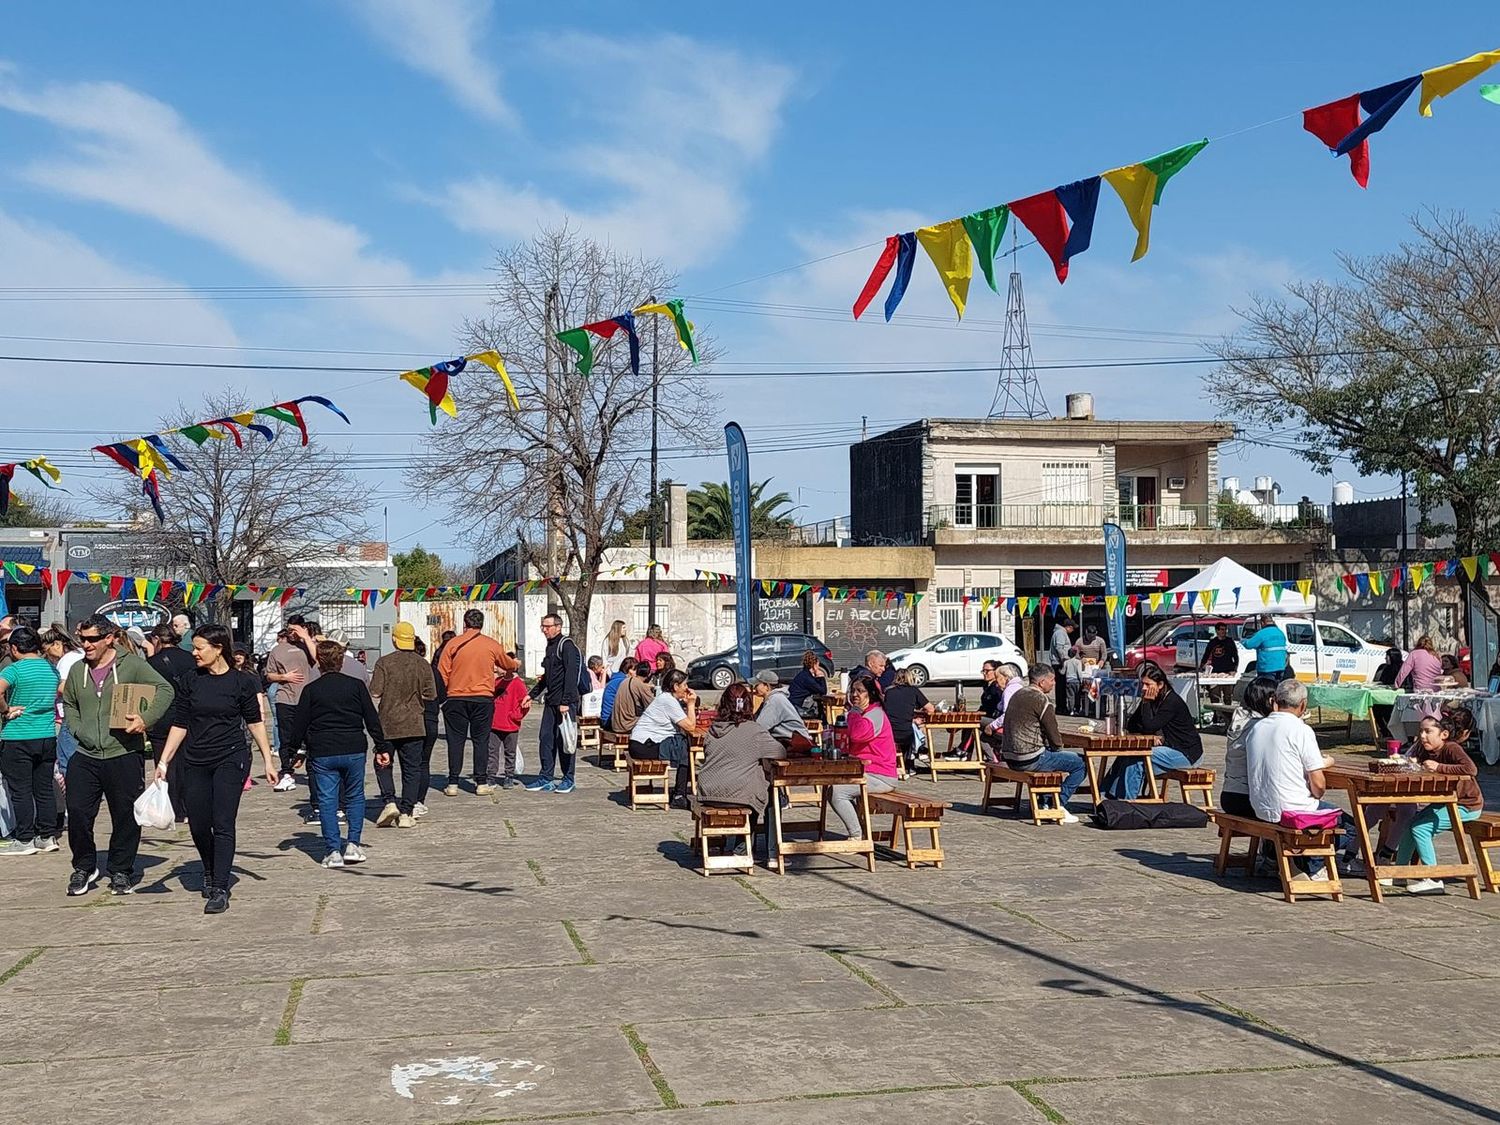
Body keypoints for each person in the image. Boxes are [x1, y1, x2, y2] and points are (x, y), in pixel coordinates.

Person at [154, 624, 273, 913]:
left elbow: (255, 722)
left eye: (198, 648)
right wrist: (164, 761)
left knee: (222, 822)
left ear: (218, 649)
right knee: (197, 823)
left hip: (230, 759)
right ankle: (208, 867)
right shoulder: (190, 680)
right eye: (192, 647)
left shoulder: (241, 682)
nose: (193, 653)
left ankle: (219, 886)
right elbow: (180, 722)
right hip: (195, 759)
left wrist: (268, 760)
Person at [60, 615, 174, 896]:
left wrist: (145, 719)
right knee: (77, 811)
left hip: (123, 752)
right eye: (82, 639)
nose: (86, 645)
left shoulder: (132, 665)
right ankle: (84, 866)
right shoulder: (77, 670)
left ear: (109, 638)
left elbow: (165, 690)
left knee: (124, 815)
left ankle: (121, 870)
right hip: (85, 753)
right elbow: (70, 703)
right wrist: (77, 729)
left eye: (92, 639)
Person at [286, 639, 383, 870]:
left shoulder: (311, 690)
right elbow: (371, 718)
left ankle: (332, 850)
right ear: (341, 660)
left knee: (328, 800)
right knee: (355, 796)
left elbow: (299, 724)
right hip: (353, 747)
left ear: (318, 661)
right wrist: (382, 746)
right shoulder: (356, 686)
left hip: (323, 750)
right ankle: (353, 844)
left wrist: (293, 752)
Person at [1245, 678, 1351, 877]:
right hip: (1293, 809)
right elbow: (1318, 785)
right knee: (1352, 828)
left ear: (1275, 700)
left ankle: (1279, 858)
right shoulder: (1300, 730)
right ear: (1303, 705)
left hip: (1261, 806)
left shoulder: (1257, 728)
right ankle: (1312, 866)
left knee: (1316, 816)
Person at [1394, 713, 1484, 894]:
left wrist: (1440, 767)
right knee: (1410, 824)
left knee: (1421, 828)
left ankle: (1433, 878)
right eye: (1421, 731)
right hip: (1444, 802)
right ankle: (1399, 871)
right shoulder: (1424, 749)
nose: (1423, 736)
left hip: (1466, 805)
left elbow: (1471, 769)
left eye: (1428, 731)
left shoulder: (1451, 748)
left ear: (1443, 734)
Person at [437, 609, 519, 796]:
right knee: (481, 740)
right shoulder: (490, 644)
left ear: (464, 624)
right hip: (483, 698)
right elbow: (507, 664)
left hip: (456, 698)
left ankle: (452, 783)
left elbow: (442, 672)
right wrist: (516, 665)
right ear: (482, 625)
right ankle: (481, 782)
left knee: (455, 741)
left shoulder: (452, 644)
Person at [696, 682, 787, 849]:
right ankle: (766, 851)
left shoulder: (713, 730)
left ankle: (741, 845)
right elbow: (780, 752)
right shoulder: (754, 731)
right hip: (739, 794)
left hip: (707, 790)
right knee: (767, 790)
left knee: (748, 780)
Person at [368, 621, 437, 828]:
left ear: (394, 639)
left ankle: (389, 801)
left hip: (388, 723)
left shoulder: (384, 663)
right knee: (412, 769)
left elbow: (375, 692)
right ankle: (406, 812)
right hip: (414, 723)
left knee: (382, 763)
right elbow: (431, 694)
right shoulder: (423, 664)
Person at [0, 627, 62, 856]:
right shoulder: (50, 669)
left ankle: (24, 838)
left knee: (20, 790)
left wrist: (6, 710)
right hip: (46, 735)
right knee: (44, 788)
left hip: (18, 735)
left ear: (14, 648)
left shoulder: (13, 670)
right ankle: (47, 835)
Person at [999, 665, 1086, 822]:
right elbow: (1053, 732)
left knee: (1050, 760)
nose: (1054, 683)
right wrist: (1058, 748)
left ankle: (1044, 802)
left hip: (1010, 756)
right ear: (1041, 682)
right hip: (1029, 758)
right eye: (1052, 680)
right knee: (1081, 763)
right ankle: (1057, 803)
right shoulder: (1041, 700)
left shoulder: (1018, 694)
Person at [1108, 665, 1204, 800]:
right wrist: (1144, 703)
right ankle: (1108, 795)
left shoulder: (1171, 701)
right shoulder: (1155, 699)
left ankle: (1126, 801)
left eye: (1148, 684)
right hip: (1169, 747)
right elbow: (1132, 725)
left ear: (1160, 685)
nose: (1144, 688)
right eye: (1143, 684)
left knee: (1138, 757)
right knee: (1126, 754)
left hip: (1186, 753)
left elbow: (1149, 727)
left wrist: (1146, 703)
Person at [828, 676, 899, 838]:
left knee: (837, 792)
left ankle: (856, 836)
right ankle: (860, 828)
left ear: (870, 694)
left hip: (881, 775)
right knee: (831, 785)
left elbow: (858, 735)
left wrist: (853, 714)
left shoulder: (875, 714)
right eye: (852, 690)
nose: (855, 694)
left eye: (860, 691)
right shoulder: (862, 713)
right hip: (863, 770)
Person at [142, 624, 195, 820]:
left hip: (162, 717)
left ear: (157, 639)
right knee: (187, 763)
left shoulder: (151, 663)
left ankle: (173, 808)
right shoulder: (190, 658)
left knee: (165, 764)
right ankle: (189, 806)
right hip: (188, 716)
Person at [525, 612, 582, 793]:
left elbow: (571, 675)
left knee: (565, 740)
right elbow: (547, 677)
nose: (544, 630)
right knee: (546, 739)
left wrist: (566, 701)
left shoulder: (567, 646)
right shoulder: (550, 647)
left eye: (547, 626)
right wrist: (531, 694)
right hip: (551, 702)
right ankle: (546, 777)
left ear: (558, 627)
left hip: (565, 703)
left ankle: (568, 778)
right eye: (543, 626)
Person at [628, 669, 697, 809]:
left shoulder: (667, 699)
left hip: (641, 742)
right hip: (644, 745)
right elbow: (690, 726)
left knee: (682, 742)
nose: (686, 688)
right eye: (684, 685)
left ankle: (681, 789)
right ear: (676, 686)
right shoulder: (668, 701)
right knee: (683, 746)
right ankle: (679, 794)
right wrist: (691, 704)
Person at [264, 618, 315, 792]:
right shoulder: (278, 650)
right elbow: (269, 675)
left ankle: (312, 768)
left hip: (307, 698)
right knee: (285, 736)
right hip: (285, 697)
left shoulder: (308, 646)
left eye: (296, 630)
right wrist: (284, 678)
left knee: (310, 735)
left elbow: (319, 660)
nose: (293, 633)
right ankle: (286, 772)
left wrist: (306, 638)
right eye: (290, 630)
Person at [41, 626, 82, 841]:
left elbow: (64, 688)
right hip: (77, 716)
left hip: (68, 715)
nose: (50, 657)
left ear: (57, 645)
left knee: (65, 764)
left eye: (49, 651)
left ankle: (70, 808)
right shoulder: (80, 655)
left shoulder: (67, 660)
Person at [1220, 675, 1279, 818]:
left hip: (1229, 794)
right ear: (1270, 700)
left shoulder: (1240, 719)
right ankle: (1272, 841)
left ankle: (1267, 841)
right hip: (1249, 797)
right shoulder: (1260, 726)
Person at [490, 660, 530, 791]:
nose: (496, 668)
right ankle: (490, 775)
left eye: (499, 666)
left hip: (510, 725)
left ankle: (509, 776)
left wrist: (515, 717)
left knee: (510, 752)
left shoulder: (518, 684)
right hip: (494, 724)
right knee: (492, 751)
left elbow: (524, 704)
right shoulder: (496, 682)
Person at [883, 668, 933, 771]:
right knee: (919, 727)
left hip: (890, 732)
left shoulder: (888, 691)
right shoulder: (913, 691)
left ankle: (902, 762)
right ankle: (915, 755)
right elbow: (930, 709)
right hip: (906, 733)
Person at [751, 670, 810, 745]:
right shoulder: (773, 698)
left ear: (767, 686)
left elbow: (760, 727)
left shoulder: (775, 700)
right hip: (787, 741)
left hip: (795, 744)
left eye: (757, 685)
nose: (754, 688)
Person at [609, 659, 655, 737]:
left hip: (616, 723)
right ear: (648, 674)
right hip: (626, 725)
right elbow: (652, 706)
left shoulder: (625, 681)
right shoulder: (640, 685)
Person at [1241, 615, 1292, 681]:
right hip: (1281, 666)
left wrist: (1243, 641)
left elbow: (1249, 645)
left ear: (1262, 623)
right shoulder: (1280, 632)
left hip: (1267, 667)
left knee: (1267, 688)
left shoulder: (1262, 633)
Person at [1373, 646, 1402, 740]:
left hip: (1395, 697)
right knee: (1375, 708)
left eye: (1387, 656)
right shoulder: (1385, 668)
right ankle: (1385, 731)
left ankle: (1392, 732)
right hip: (1384, 695)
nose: (1385, 658)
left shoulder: (1401, 668)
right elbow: (1382, 680)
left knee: (1387, 711)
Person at [788, 650, 829, 718]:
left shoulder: (803, 675)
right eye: (818, 665)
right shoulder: (807, 678)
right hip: (795, 707)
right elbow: (823, 691)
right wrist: (821, 677)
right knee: (817, 712)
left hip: (793, 705)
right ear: (814, 665)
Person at [600, 656, 635, 727]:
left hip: (605, 718)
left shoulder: (614, 679)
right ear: (629, 670)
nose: (636, 673)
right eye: (634, 670)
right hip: (611, 720)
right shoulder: (623, 682)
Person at [1061, 652, 1084, 717]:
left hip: (1069, 681)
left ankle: (1071, 710)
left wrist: (1059, 670)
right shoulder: (1078, 662)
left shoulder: (1066, 662)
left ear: (1068, 654)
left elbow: (1063, 672)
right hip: (1077, 681)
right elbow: (1079, 672)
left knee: (1070, 696)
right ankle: (1077, 710)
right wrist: (1081, 680)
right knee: (1078, 696)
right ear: (1075, 654)